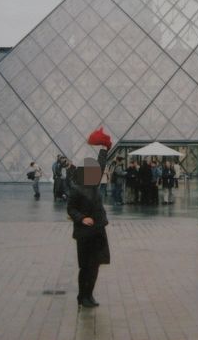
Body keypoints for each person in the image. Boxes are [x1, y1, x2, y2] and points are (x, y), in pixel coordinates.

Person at [67, 132, 111, 308]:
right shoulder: (76, 189)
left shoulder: (93, 184)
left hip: (98, 230)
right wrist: (82, 218)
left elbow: (101, 165)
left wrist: (104, 149)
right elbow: (70, 209)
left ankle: (89, 295)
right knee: (85, 266)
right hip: (84, 232)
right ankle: (82, 296)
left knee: (95, 266)